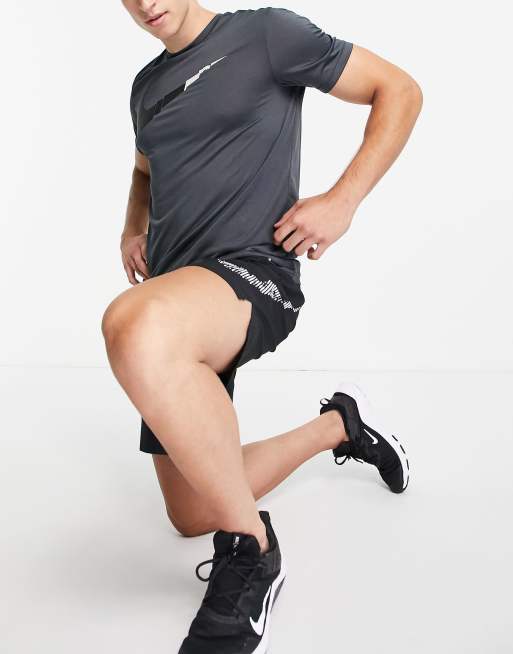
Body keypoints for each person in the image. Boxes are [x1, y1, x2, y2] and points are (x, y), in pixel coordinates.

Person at [102, 2, 422, 652]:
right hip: (181, 300)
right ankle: (341, 426)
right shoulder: (146, 87)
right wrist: (134, 225)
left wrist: (342, 200)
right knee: (193, 510)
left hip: (253, 275)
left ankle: (253, 552)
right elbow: (143, 171)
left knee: (130, 326)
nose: (145, 3)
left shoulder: (265, 35)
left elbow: (400, 90)